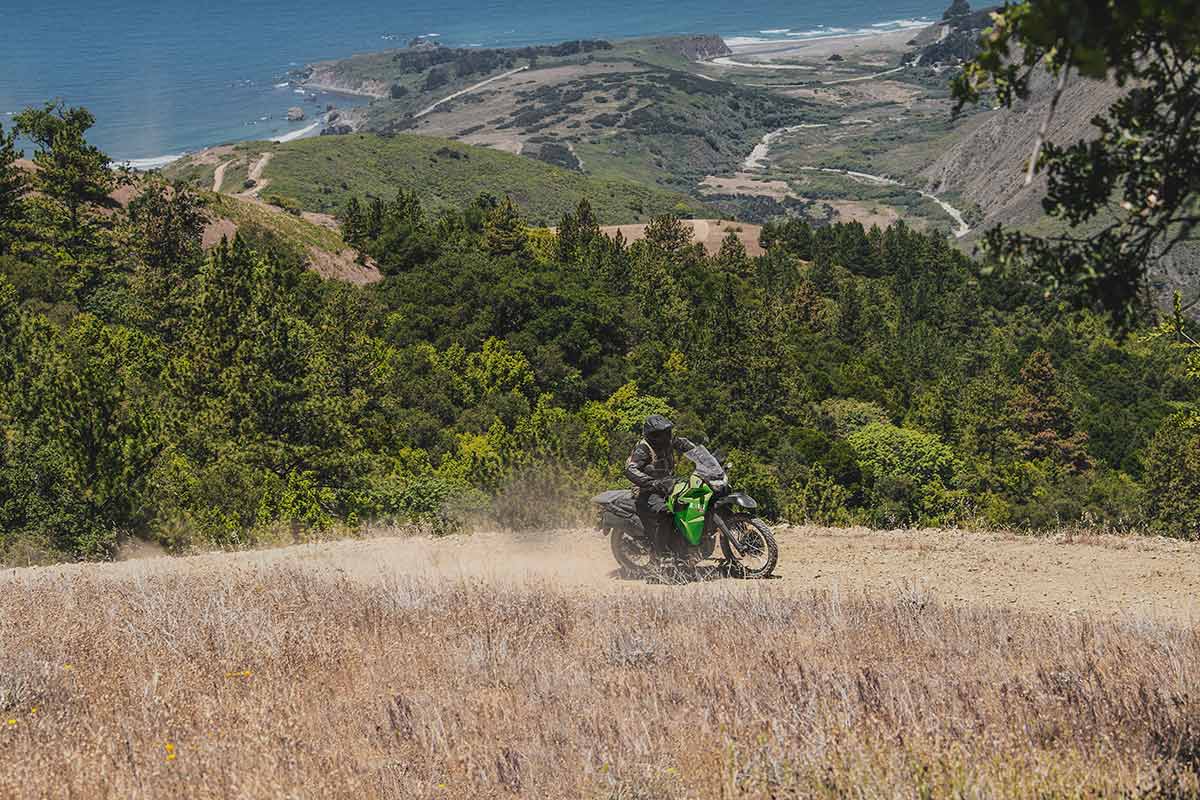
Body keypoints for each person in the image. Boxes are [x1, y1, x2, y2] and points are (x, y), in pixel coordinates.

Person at [623, 415, 695, 559]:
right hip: (647, 490)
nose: (665, 436)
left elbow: (689, 447)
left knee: (691, 501)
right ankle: (661, 555)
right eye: (661, 433)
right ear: (653, 435)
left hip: (668, 485)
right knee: (666, 513)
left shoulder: (670, 441)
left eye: (667, 432)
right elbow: (631, 469)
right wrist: (651, 482)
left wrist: (706, 458)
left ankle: (685, 546)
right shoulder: (643, 448)